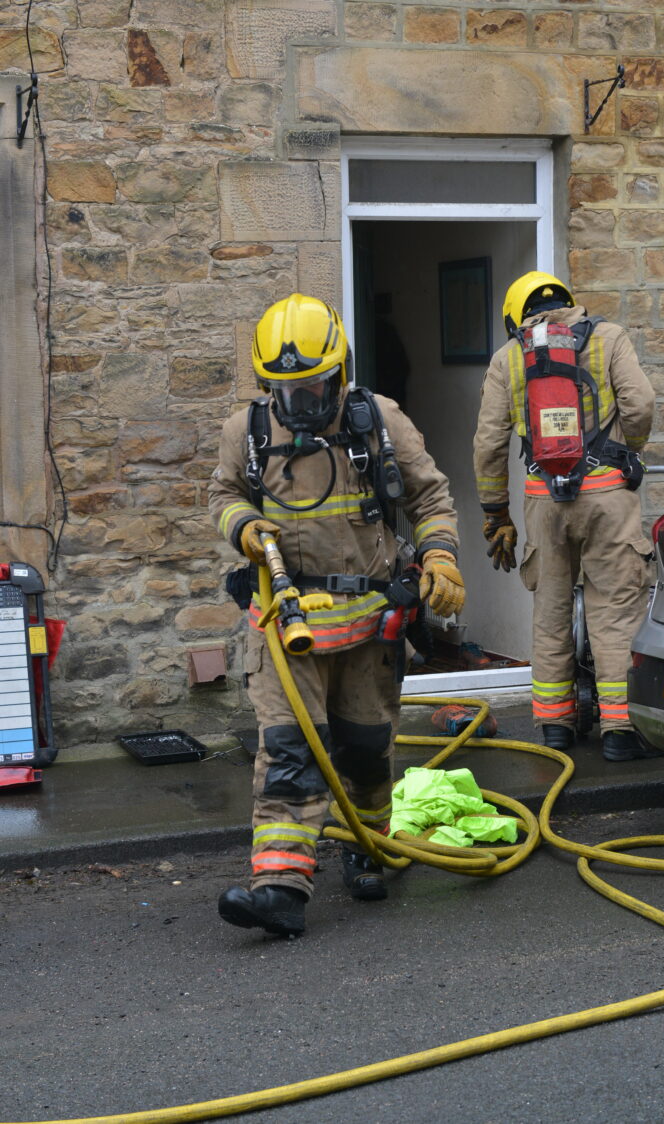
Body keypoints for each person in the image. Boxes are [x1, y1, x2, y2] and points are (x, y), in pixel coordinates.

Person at [208, 293, 464, 937]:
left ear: (339, 372)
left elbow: (431, 495)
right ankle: (280, 887)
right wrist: (242, 526)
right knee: (290, 751)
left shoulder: (378, 422)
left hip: (370, 623)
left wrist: (440, 558)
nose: (301, 406)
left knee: (366, 751)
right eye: (286, 393)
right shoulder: (247, 431)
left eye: (313, 389)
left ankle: (367, 848)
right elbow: (222, 492)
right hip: (284, 621)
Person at [473, 271, 657, 762]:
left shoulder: (508, 357)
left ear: (516, 315)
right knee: (615, 613)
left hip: (544, 502)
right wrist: (627, 452)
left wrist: (497, 513)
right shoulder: (609, 337)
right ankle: (620, 732)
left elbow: (489, 443)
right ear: (569, 303)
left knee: (551, 612)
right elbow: (640, 404)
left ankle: (555, 726)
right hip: (608, 499)